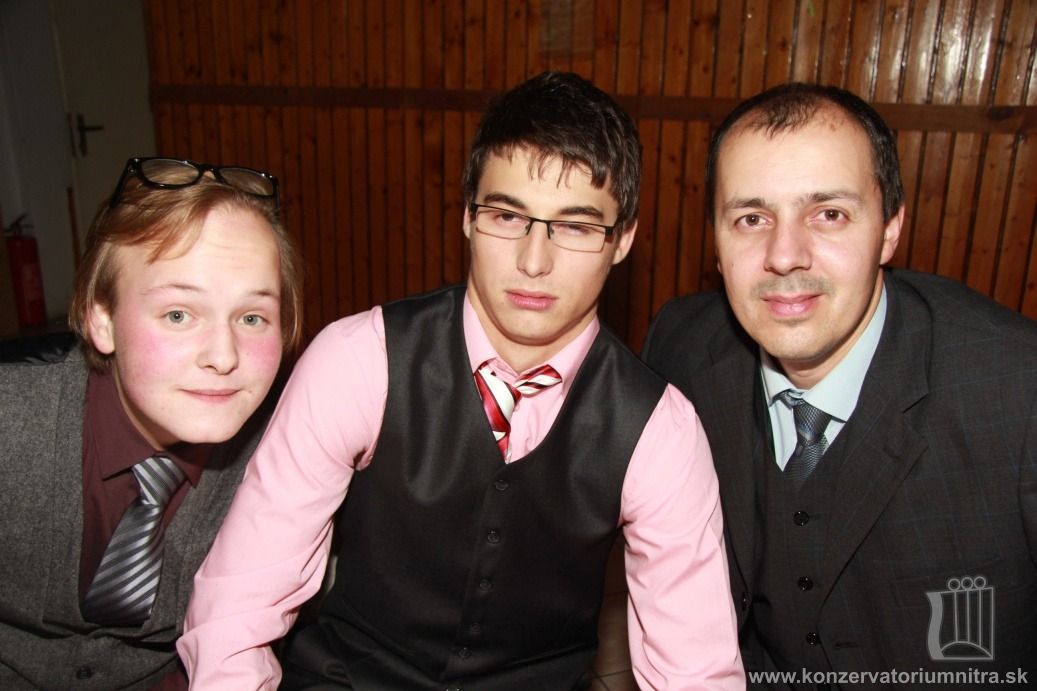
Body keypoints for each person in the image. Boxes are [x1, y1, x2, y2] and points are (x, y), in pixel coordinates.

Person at [177, 71, 744, 690]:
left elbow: (698, 672)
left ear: (623, 239)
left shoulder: (660, 430)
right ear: (469, 217)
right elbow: (236, 611)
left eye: (576, 227)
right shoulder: (359, 360)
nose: (534, 261)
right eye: (507, 215)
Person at [643, 82, 1037, 684]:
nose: (784, 255)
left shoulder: (1018, 392)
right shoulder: (681, 349)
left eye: (828, 214)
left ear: (890, 229)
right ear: (716, 244)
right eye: (751, 218)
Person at [0, 157, 303, 690]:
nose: (223, 356)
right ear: (102, 320)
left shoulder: (290, 458)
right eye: (178, 314)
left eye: (252, 317)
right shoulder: (11, 426)